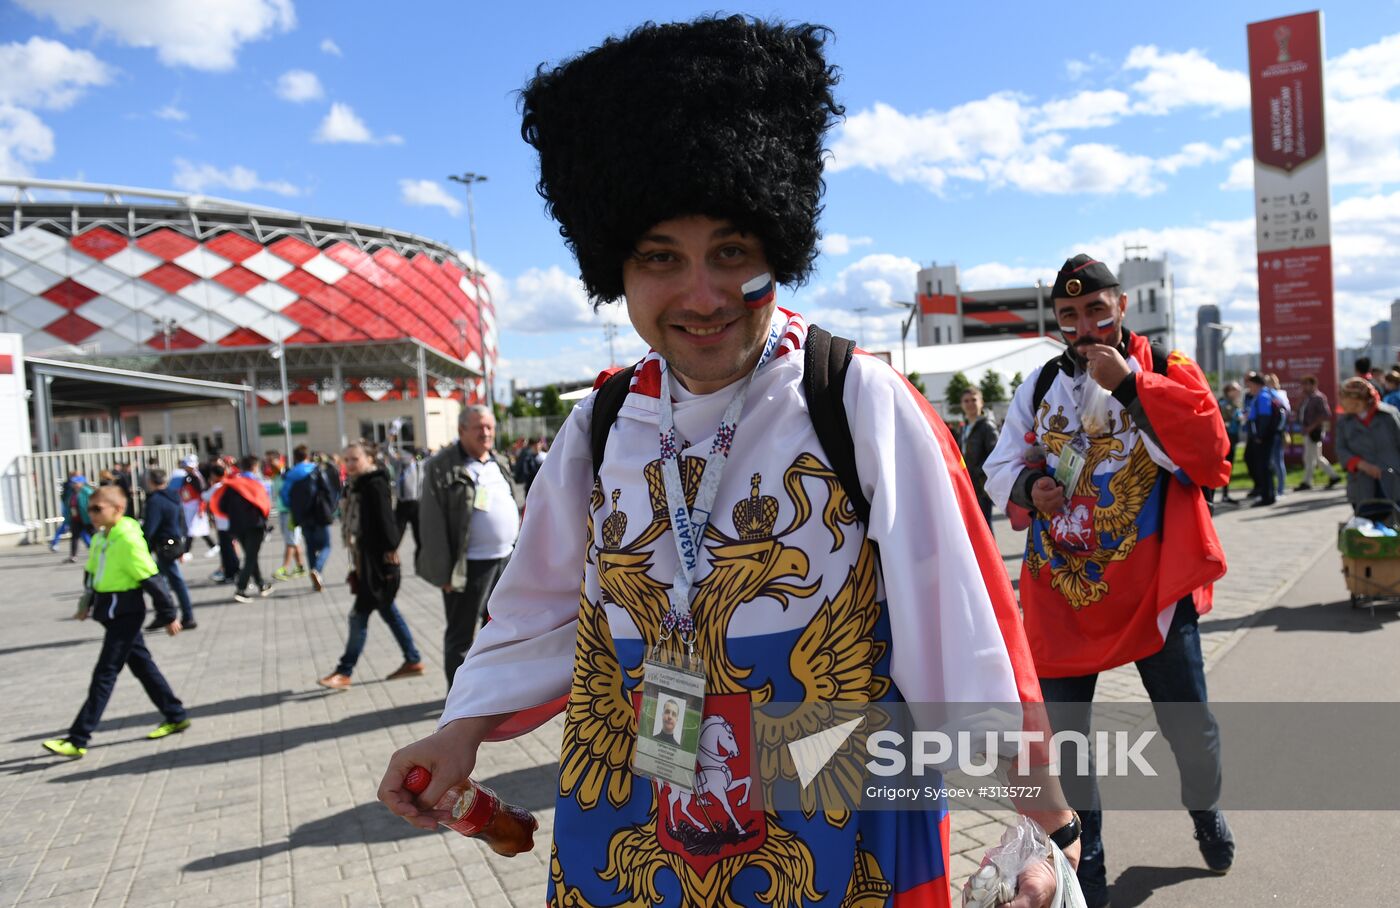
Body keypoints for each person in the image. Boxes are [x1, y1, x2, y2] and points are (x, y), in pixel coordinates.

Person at [380, 18, 1074, 907]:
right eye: (661, 258)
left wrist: (1044, 827)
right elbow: (530, 614)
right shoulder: (598, 425)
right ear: (615, 269)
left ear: (776, 252)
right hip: (632, 839)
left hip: (836, 836)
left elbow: (965, 638)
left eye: (732, 253)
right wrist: (459, 734)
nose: (701, 296)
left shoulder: (852, 402)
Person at [983, 254, 1235, 907]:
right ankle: (1084, 853)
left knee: (1190, 725)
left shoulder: (1168, 370)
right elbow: (997, 463)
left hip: (1151, 585)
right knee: (1064, 735)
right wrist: (1027, 485)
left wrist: (1130, 387)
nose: (1084, 323)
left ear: (1121, 307)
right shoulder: (1039, 386)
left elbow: (1209, 452)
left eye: (1096, 309)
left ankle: (1203, 804)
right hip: (1064, 587)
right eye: (1070, 315)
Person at [41, 486, 189, 759]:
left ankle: (78, 738)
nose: (92, 514)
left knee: (104, 673)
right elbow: (92, 574)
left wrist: (168, 614)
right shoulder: (102, 538)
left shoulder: (127, 539)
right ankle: (175, 714)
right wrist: (86, 604)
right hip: (108, 611)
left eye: (98, 509)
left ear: (118, 509)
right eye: (90, 509)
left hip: (126, 611)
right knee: (142, 665)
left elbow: (151, 577)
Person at [417, 406, 521, 690]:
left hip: (505, 560)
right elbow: (431, 523)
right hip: (468, 567)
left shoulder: (498, 461)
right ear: (461, 430)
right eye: (478, 427)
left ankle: (492, 692)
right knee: (461, 637)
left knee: (500, 632)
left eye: (489, 427)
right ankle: (459, 700)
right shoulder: (441, 466)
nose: (485, 433)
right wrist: (443, 573)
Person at [318, 440, 425, 690]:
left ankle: (344, 671)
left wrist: (390, 553)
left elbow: (387, 524)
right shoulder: (356, 486)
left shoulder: (374, 485)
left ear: (369, 459)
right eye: (347, 459)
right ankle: (413, 659)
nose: (350, 464)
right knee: (388, 611)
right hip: (365, 561)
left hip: (377, 564)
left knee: (359, 617)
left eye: (355, 459)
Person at [1336, 377, 1400, 515]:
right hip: (1361, 483)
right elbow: (1341, 449)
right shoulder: (1344, 422)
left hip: (1392, 480)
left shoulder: (1389, 415)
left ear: (1363, 399)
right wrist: (1361, 464)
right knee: (1366, 532)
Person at [142, 468, 195, 630]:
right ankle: (166, 614)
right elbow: (182, 521)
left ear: (151, 482)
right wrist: (183, 544)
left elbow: (150, 527)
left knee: (170, 581)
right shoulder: (174, 496)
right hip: (174, 542)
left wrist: (145, 546)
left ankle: (183, 616)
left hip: (163, 544)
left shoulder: (155, 501)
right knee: (163, 580)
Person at [214, 455, 273, 603]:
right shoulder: (257, 483)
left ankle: (261, 584)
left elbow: (221, 505)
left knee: (250, 555)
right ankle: (241, 589)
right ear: (254, 467)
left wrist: (235, 516)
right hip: (255, 525)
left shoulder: (232, 484)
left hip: (237, 526)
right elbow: (265, 503)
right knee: (251, 557)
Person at [282, 445, 334, 591]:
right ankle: (317, 570)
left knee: (310, 547)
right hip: (319, 513)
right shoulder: (316, 470)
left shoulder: (291, 474)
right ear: (307, 456)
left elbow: (285, 496)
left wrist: (293, 508)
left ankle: (314, 578)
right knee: (326, 545)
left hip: (302, 516)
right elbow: (328, 491)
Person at [959, 386, 999, 526]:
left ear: (981, 402)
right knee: (972, 526)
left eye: (974, 400)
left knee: (984, 526)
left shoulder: (987, 426)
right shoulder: (964, 428)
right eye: (966, 401)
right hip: (968, 484)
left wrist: (978, 473)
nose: (970, 404)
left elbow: (995, 455)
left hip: (982, 486)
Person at [1294, 375, 1342, 491]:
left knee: (1314, 457)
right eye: (1303, 384)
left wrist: (1312, 426)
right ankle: (1312, 480)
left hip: (1314, 431)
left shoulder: (1319, 398)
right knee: (1310, 457)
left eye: (1307, 384)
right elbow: (1297, 410)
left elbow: (1325, 414)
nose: (1304, 387)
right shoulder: (1306, 398)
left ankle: (1327, 477)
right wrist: (1300, 399)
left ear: (1313, 385)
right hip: (1306, 431)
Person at [1243, 372, 1281, 507]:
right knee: (1264, 466)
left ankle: (1268, 496)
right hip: (1265, 437)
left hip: (1264, 438)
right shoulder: (1264, 395)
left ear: (1257, 385)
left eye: (1251, 385)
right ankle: (1267, 494)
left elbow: (1265, 418)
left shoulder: (1263, 396)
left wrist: (1260, 436)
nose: (1249, 388)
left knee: (1264, 467)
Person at [205, 463, 242, 583]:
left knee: (227, 551)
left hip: (222, 524)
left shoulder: (217, 487)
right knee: (230, 548)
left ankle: (231, 573)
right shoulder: (228, 484)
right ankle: (234, 571)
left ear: (215, 475)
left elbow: (204, 496)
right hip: (232, 521)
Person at [1216, 382, 1245, 503]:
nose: (1238, 392)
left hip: (1232, 437)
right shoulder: (1224, 404)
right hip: (1226, 439)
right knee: (1223, 465)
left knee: (1229, 466)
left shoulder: (1234, 404)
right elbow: (1226, 419)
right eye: (1236, 390)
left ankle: (1225, 493)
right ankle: (1223, 494)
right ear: (1229, 391)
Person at [393, 446, 422, 561]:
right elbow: (387, 449)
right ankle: (391, 558)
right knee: (396, 535)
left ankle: (420, 562)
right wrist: (392, 433)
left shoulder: (419, 465)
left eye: (404, 454)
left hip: (415, 503)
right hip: (402, 503)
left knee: (419, 536)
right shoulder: (398, 464)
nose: (401, 456)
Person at [60, 471, 94, 563]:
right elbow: (67, 504)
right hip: (76, 518)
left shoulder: (88, 492)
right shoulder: (71, 493)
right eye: (73, 483)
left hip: (87, 518)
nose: (74, 484)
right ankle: (73, 555)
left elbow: (92, 504)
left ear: (82, 483)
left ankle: (99, 552)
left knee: (93, 536)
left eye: (76, 483)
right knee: (74, 537)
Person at [1265, 374, 1290, 498]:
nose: (1267, 386)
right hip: (1272, 433)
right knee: (1272, 462)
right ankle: (1274, 489)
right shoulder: (1267, 396)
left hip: (1277, 433)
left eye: (1270, 382)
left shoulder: (1279, 395)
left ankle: (1280, 489)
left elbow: (1285, 414)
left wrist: (1278, 429)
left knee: (1278, 461)